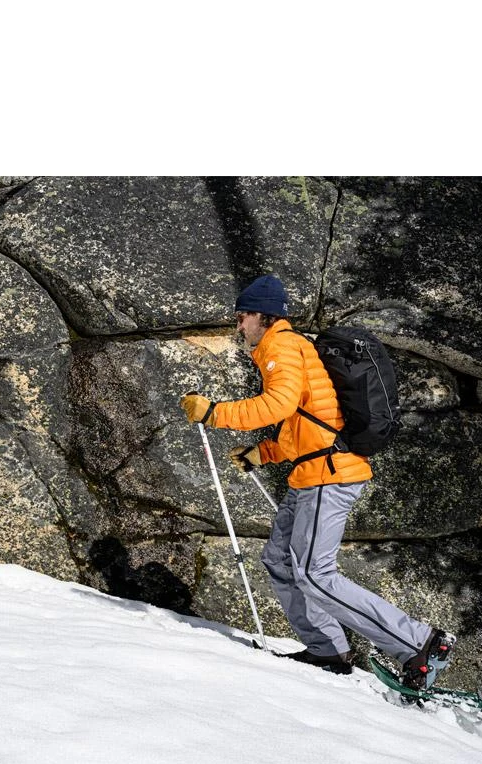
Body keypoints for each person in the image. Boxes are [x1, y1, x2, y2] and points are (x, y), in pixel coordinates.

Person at [180, 274, 454, 689]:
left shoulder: (282, 345)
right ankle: (326, 649)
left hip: (329, 475)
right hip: (313, 472)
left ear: (262, 316)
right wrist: (263, 453)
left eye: (242, 317)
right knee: (279, 559)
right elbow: (307, 423)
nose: (239, 327)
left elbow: (278, 405)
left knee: (314, 573)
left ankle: (420, 642)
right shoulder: (287, 347)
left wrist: (216, 412)